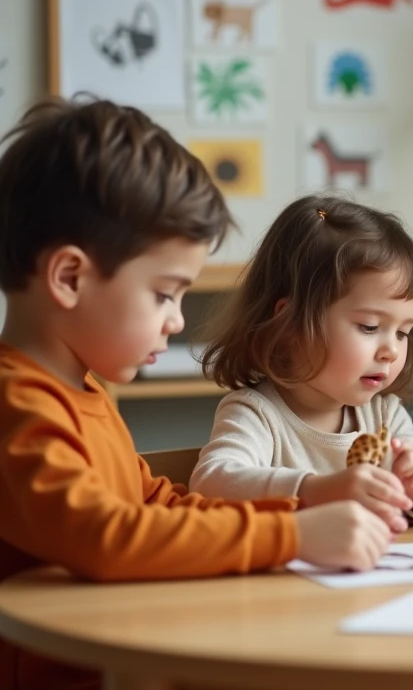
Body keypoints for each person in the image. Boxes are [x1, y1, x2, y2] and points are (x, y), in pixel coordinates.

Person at [0, 98, 391, 690]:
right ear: (70, 277)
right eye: (164, 294)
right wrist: (293, 535)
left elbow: (153, 504)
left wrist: (300, 512)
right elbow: (107, 537)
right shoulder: (17, 406)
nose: (177, 321)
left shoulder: (81, 391)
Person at [190, 195, 413, 527]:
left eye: (403, 332)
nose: (391, 351)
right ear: (290, 324)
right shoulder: (257, 414)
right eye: (370, 327)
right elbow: (211, 483)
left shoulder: (383, 416)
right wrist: (316, 490)